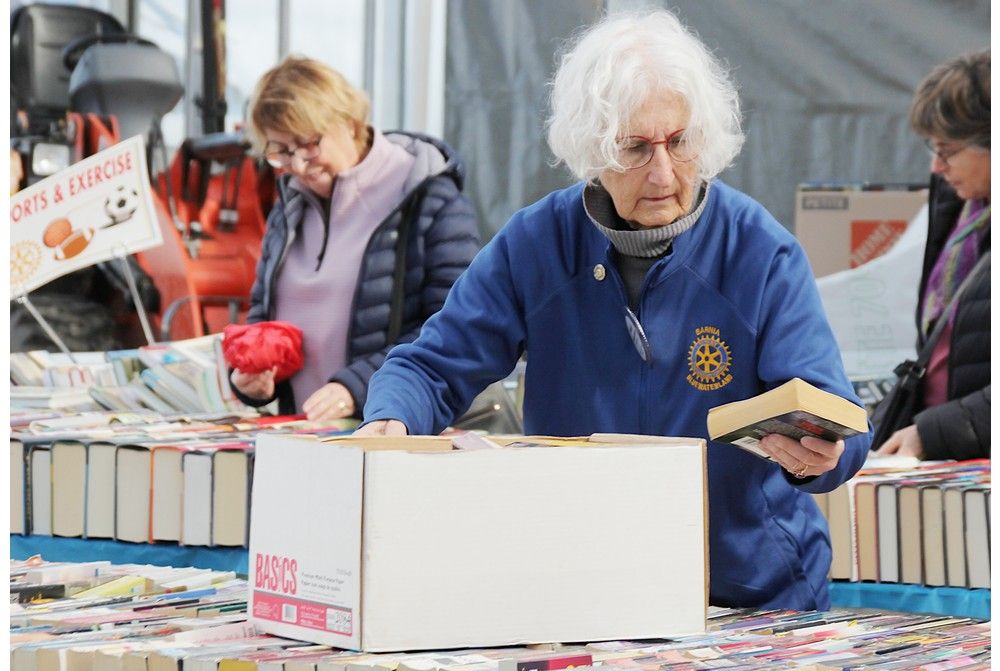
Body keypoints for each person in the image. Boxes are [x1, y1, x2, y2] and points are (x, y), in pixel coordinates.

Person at [355, 11, 871, 611]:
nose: (663, 172)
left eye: (679, 142)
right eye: (635, 148)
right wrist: (391, 419)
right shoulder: (538, 243)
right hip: (582, 577)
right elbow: (430, 367)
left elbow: (835, 411)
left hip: (748, 589)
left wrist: (824, 456)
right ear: (593, 148)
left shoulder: (759, 250)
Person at [231, 56, 480, 420]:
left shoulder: (428, 197)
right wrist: (253, 373)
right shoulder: (289, 206)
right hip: (305, 432)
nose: (297, 166)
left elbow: (453, 326)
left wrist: (359, 387)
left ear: (349, 124)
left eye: (309, 144)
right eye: (281, 151)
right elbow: (262, 311)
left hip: (392, 427)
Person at [875, 50, 990, 460]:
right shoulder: (963, 208)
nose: (937, 166)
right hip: (953, 458)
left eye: (948, 149)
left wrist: (936, 433)